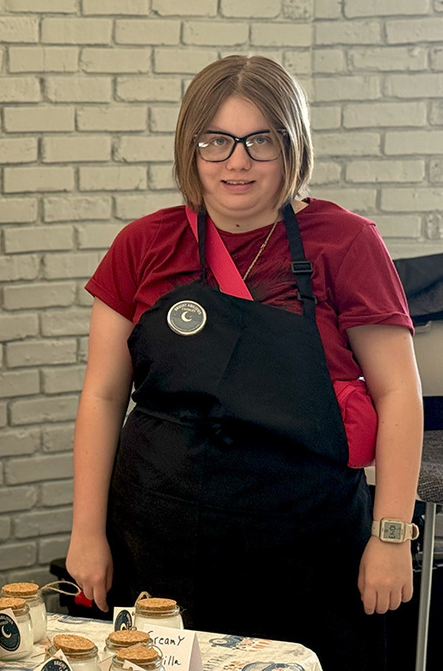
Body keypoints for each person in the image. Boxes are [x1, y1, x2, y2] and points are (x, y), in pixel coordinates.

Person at [66, 55, 421, 669]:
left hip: (307, 546)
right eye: (217, 141)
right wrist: (86, 531)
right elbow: (102, 396)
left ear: (292, 145)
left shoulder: (346, 241)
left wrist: (390, 536)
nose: (237, 162)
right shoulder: (143, 244)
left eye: (261, 141)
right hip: (158, 539)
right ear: (190, 146)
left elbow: (398, 394)